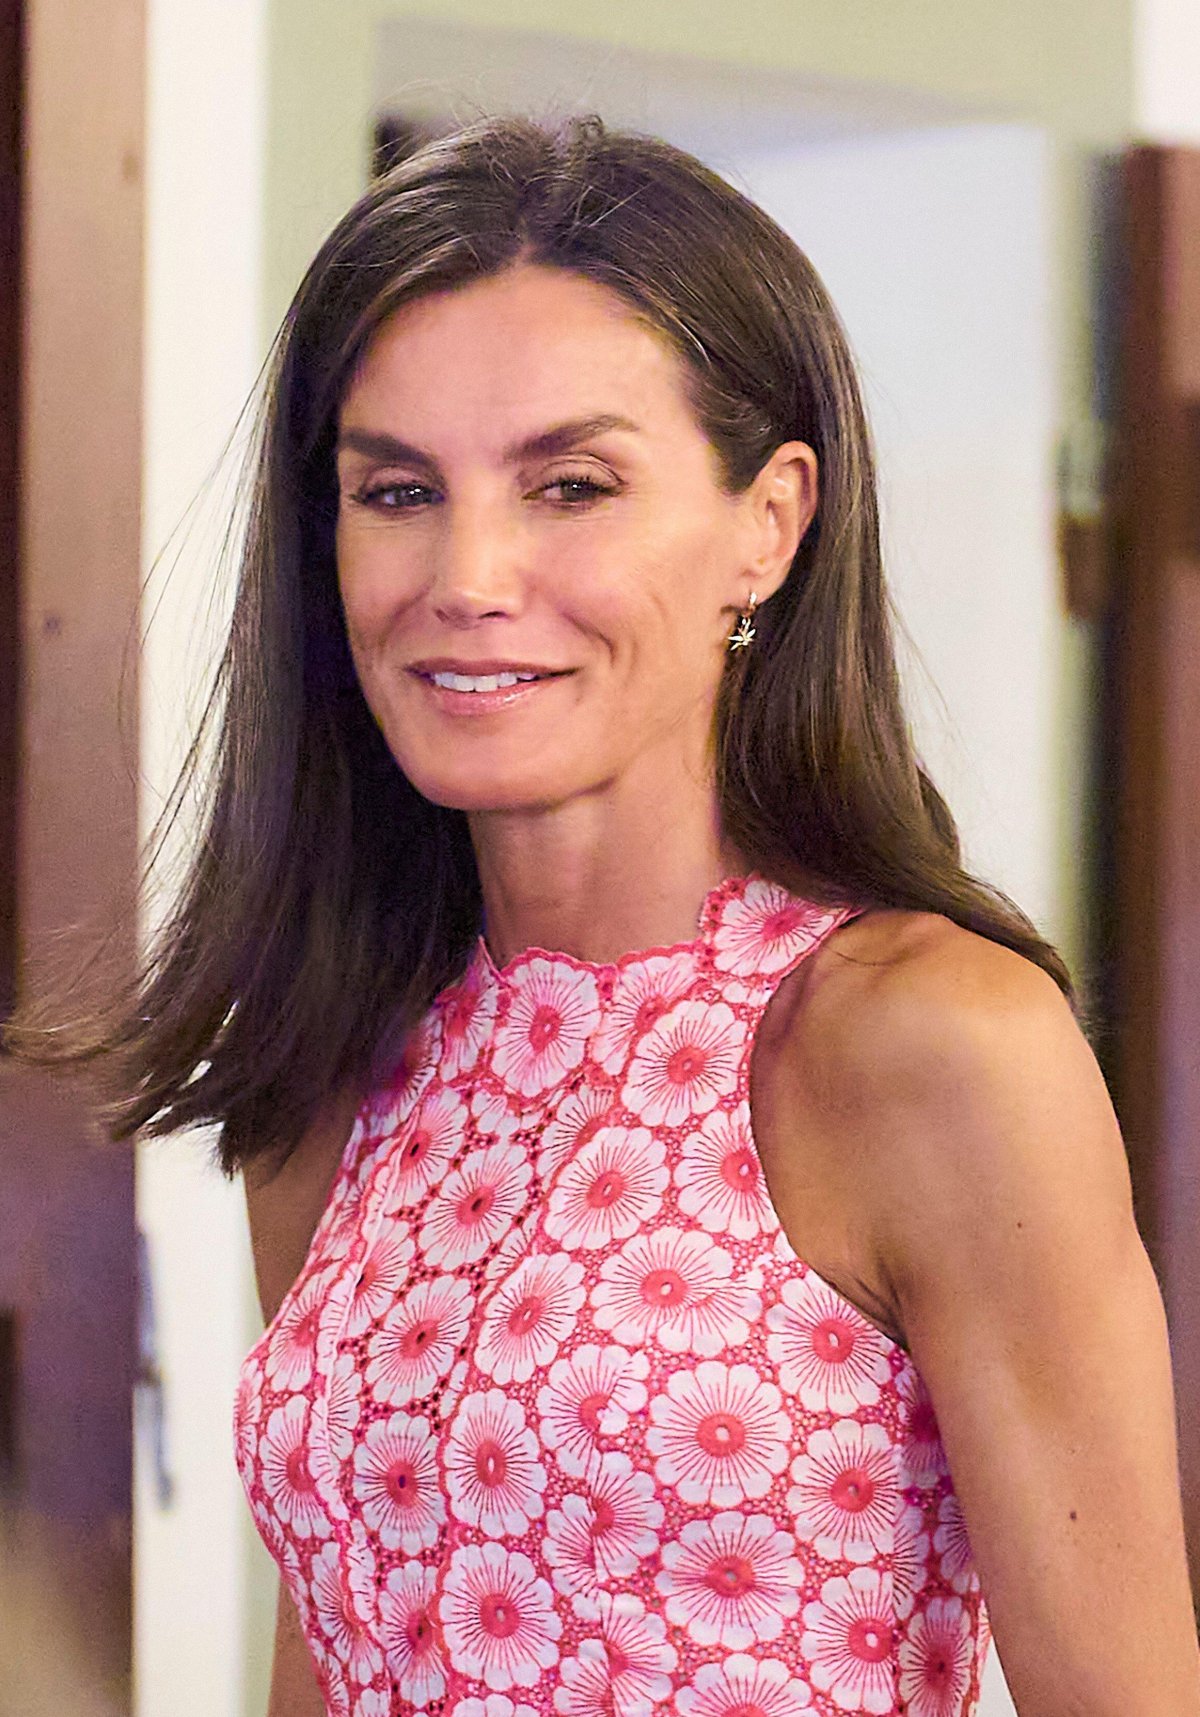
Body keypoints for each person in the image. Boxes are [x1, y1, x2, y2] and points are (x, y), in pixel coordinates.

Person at [13, 113, 1200, 1715]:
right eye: (398, 490)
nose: (470, 572)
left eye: (571, 483)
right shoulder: (343, 1072)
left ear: (767, 523)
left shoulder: (923, 1042)